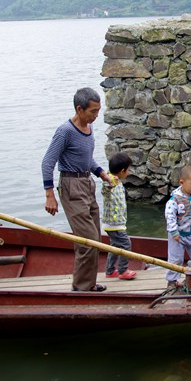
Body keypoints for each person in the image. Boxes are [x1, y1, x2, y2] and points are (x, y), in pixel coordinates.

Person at [42, 87, 116, 292]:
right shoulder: (65, 131)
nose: (96, 115)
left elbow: (86, 158)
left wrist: (102, 173)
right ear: (79, 109)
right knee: (88, 240)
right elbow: (48, 163)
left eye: (99, 110)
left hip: (87, 184)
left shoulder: (89, 129)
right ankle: (81, 288)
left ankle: (88, 283)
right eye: (93, 111)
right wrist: (50, 195)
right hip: (71, 186)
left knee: (95, 238)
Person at [102, 152, 136, 280]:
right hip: (113, 223)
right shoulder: (109, 182)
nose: (129, 172)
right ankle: (123, 270)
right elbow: (105, 190)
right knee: (126, 244)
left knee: (115, 246)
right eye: (128, 169)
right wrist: (109, 182)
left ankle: (110, 271)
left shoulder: (118, 181)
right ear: (122, 171)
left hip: (116, 223)